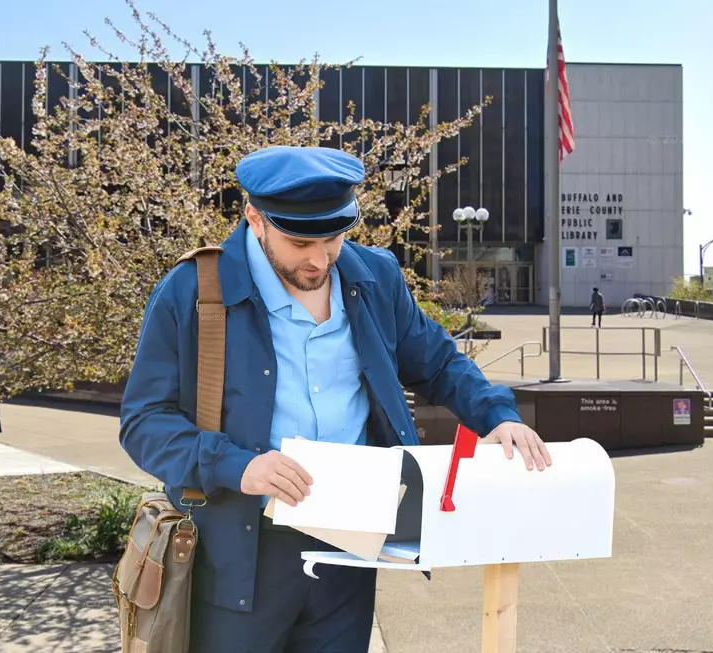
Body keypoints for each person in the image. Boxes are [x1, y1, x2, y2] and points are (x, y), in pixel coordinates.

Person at [119, 145, 552, 653]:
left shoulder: (375, 276)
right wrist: (237, 466)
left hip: (352, 548)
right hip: (237, 554)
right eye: (301, 240)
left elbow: (440, 363)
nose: (320, 257)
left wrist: (496, 416)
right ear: (254, 219)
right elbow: (143, 423)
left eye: (334, 236)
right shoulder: (192, 292)